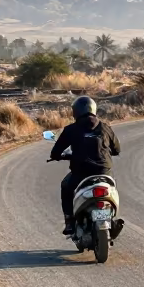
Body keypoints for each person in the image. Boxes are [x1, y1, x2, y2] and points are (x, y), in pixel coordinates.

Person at [48, 96, 121, 234]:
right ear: (93, 109)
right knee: (112, 189)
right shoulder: (105, 127)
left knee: (66, 186)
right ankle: (112, 218)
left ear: (76, 112)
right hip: (104, 172)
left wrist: (59, 156)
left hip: (81, 173)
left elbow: (55, 152)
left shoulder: (71, 129)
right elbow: (117, 149)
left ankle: (69, 222)